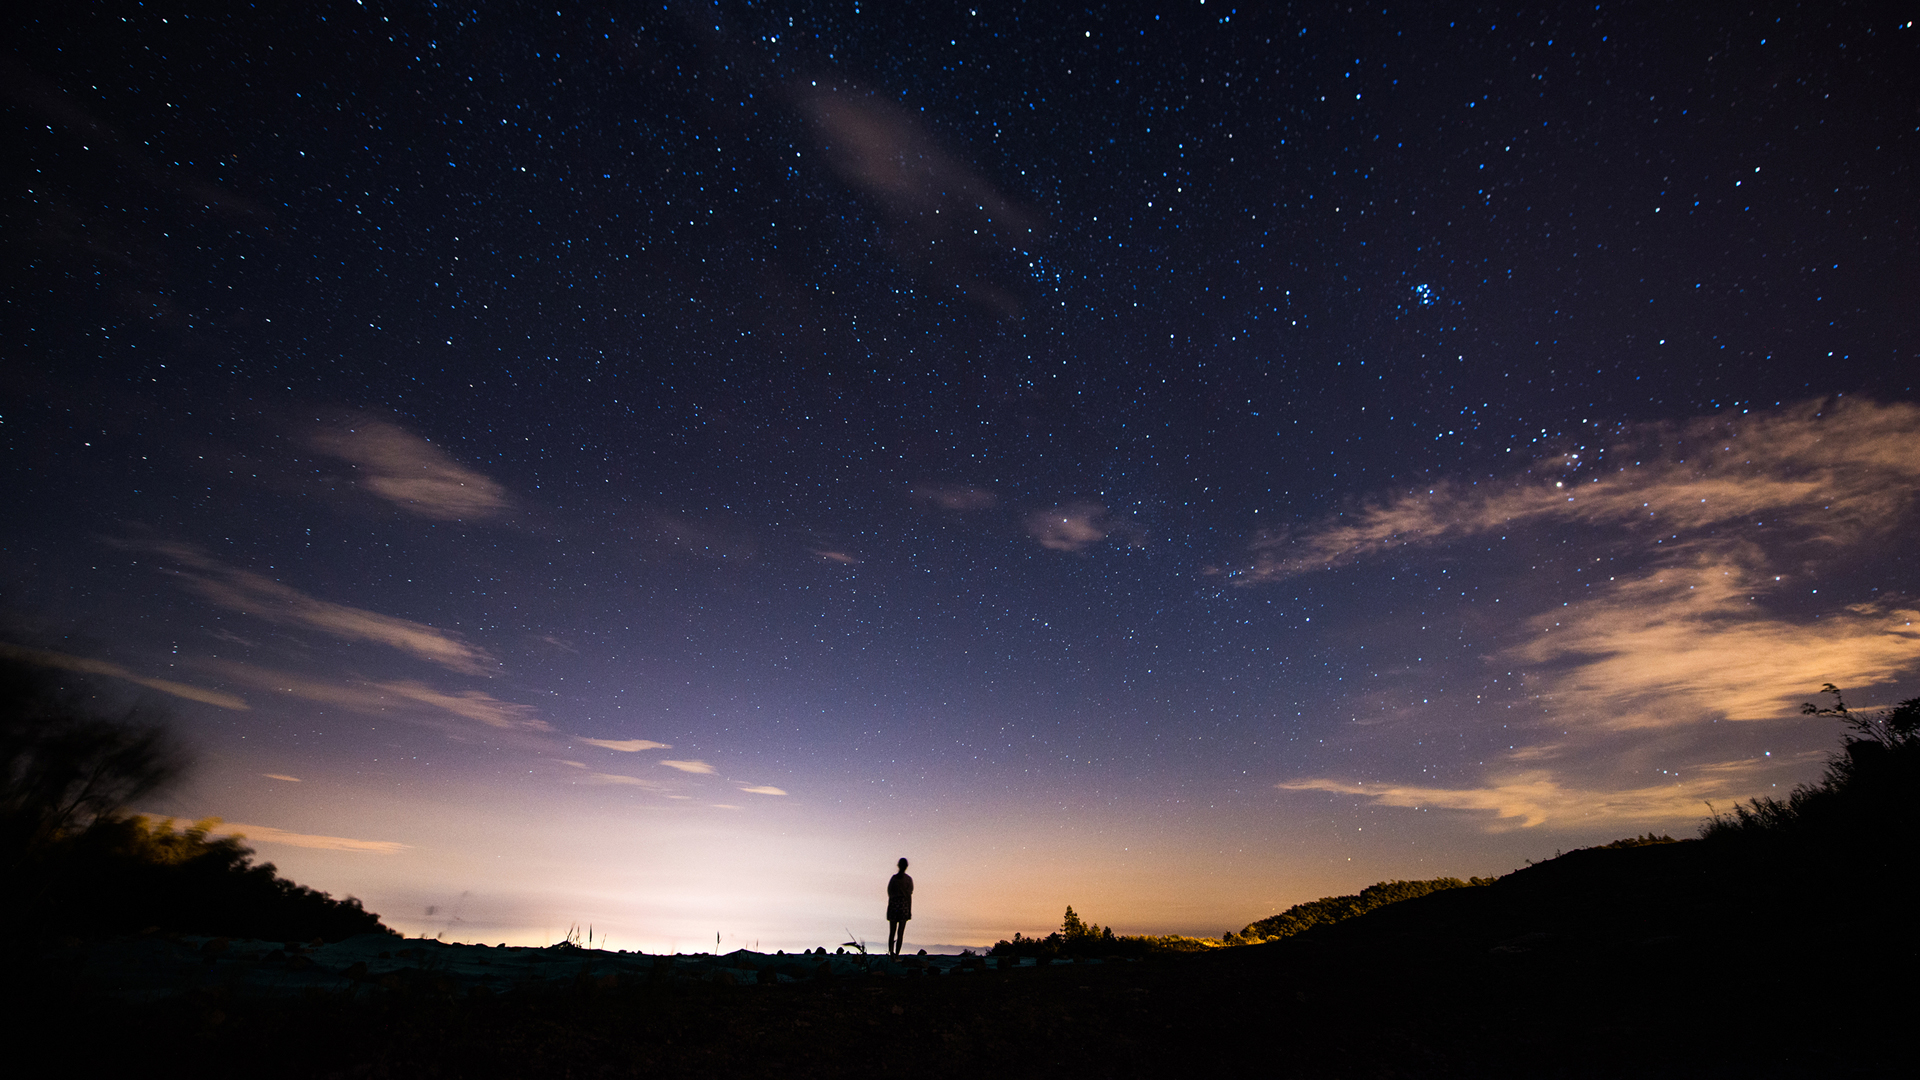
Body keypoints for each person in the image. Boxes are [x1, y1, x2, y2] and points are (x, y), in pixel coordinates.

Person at [885, 857, 913, 958]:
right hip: (900, 905)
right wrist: (909, 909)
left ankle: (894, 953)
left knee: (895, 931)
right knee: (897, 932)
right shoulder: (906, 879)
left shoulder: (903, 879)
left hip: (897, 904)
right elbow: (908, 895)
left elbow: (890, 892)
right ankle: (894, 953)